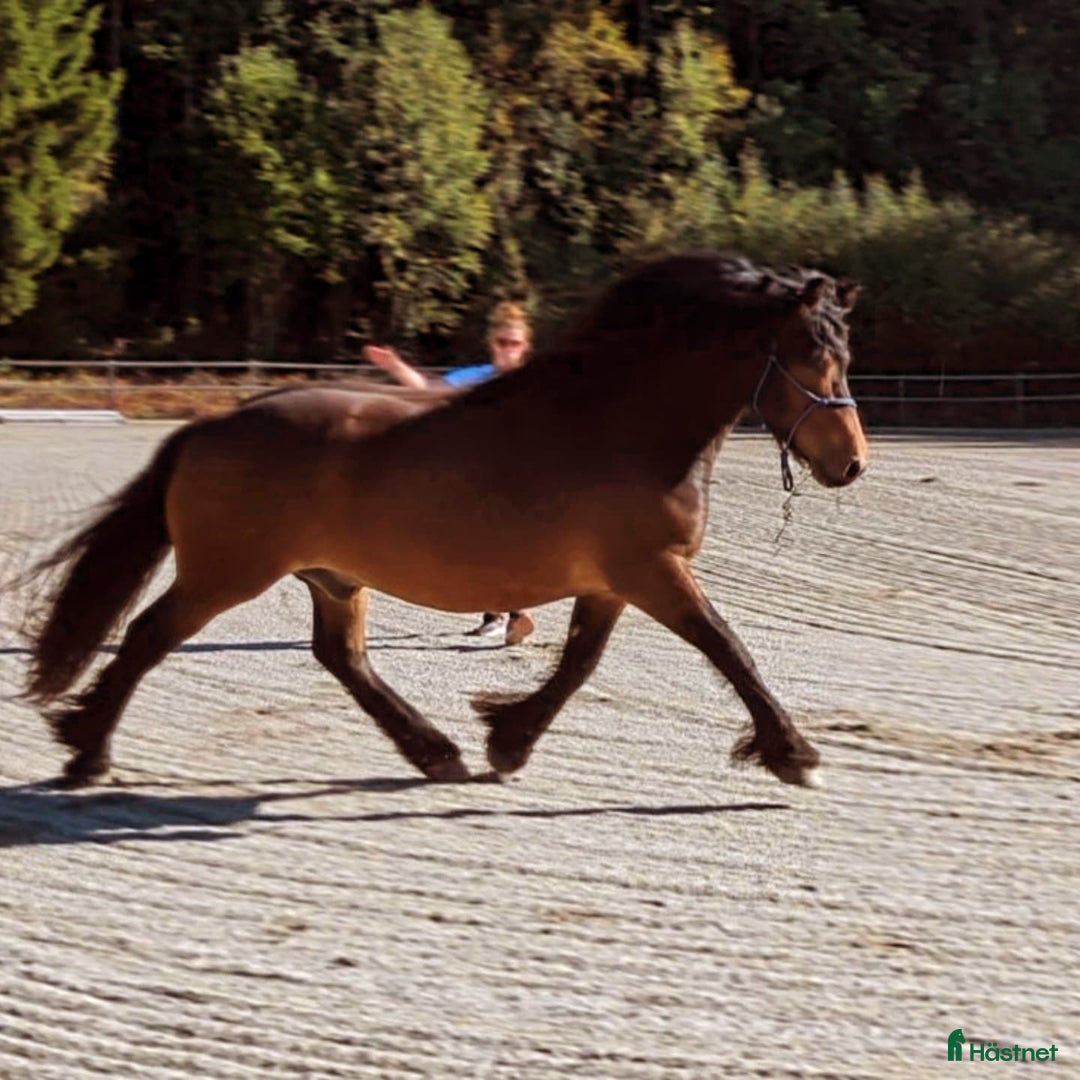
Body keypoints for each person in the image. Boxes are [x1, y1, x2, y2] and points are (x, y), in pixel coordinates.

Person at [362, 302, 536, 646]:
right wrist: (394, 365)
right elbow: (427, 391)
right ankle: (501, 613)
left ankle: (512, 612)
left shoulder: (535, 381)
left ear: (525, 346)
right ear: (491, 342)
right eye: (502, 342)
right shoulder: (476, 377)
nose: (508, 349)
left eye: (514, 343)